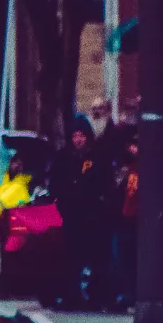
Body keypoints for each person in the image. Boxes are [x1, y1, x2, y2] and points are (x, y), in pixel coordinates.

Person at [47, 115, 112, 309]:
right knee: (71, 259)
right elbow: (56, 185)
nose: (78, 140)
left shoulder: (99, 157)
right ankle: (71, 297)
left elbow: (105, 184)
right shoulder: (63, 158)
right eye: (75, 136)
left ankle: (97, 297)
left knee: (98, 259)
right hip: (72, 216)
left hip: (94, 216)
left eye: (81, 136)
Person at [108, 127, 139, 310]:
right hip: (122, 220)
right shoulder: (121, 168)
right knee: (121, 260)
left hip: (134, 221)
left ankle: (129, 294)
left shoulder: (141, 169)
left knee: (129, 259)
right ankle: (123, 294)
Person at [0, 153, 33, 219]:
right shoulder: (3, 179)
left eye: (20, 165)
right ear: (11, 162)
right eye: (15, 163)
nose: (17, 166)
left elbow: (22, 209)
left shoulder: (21, 188)